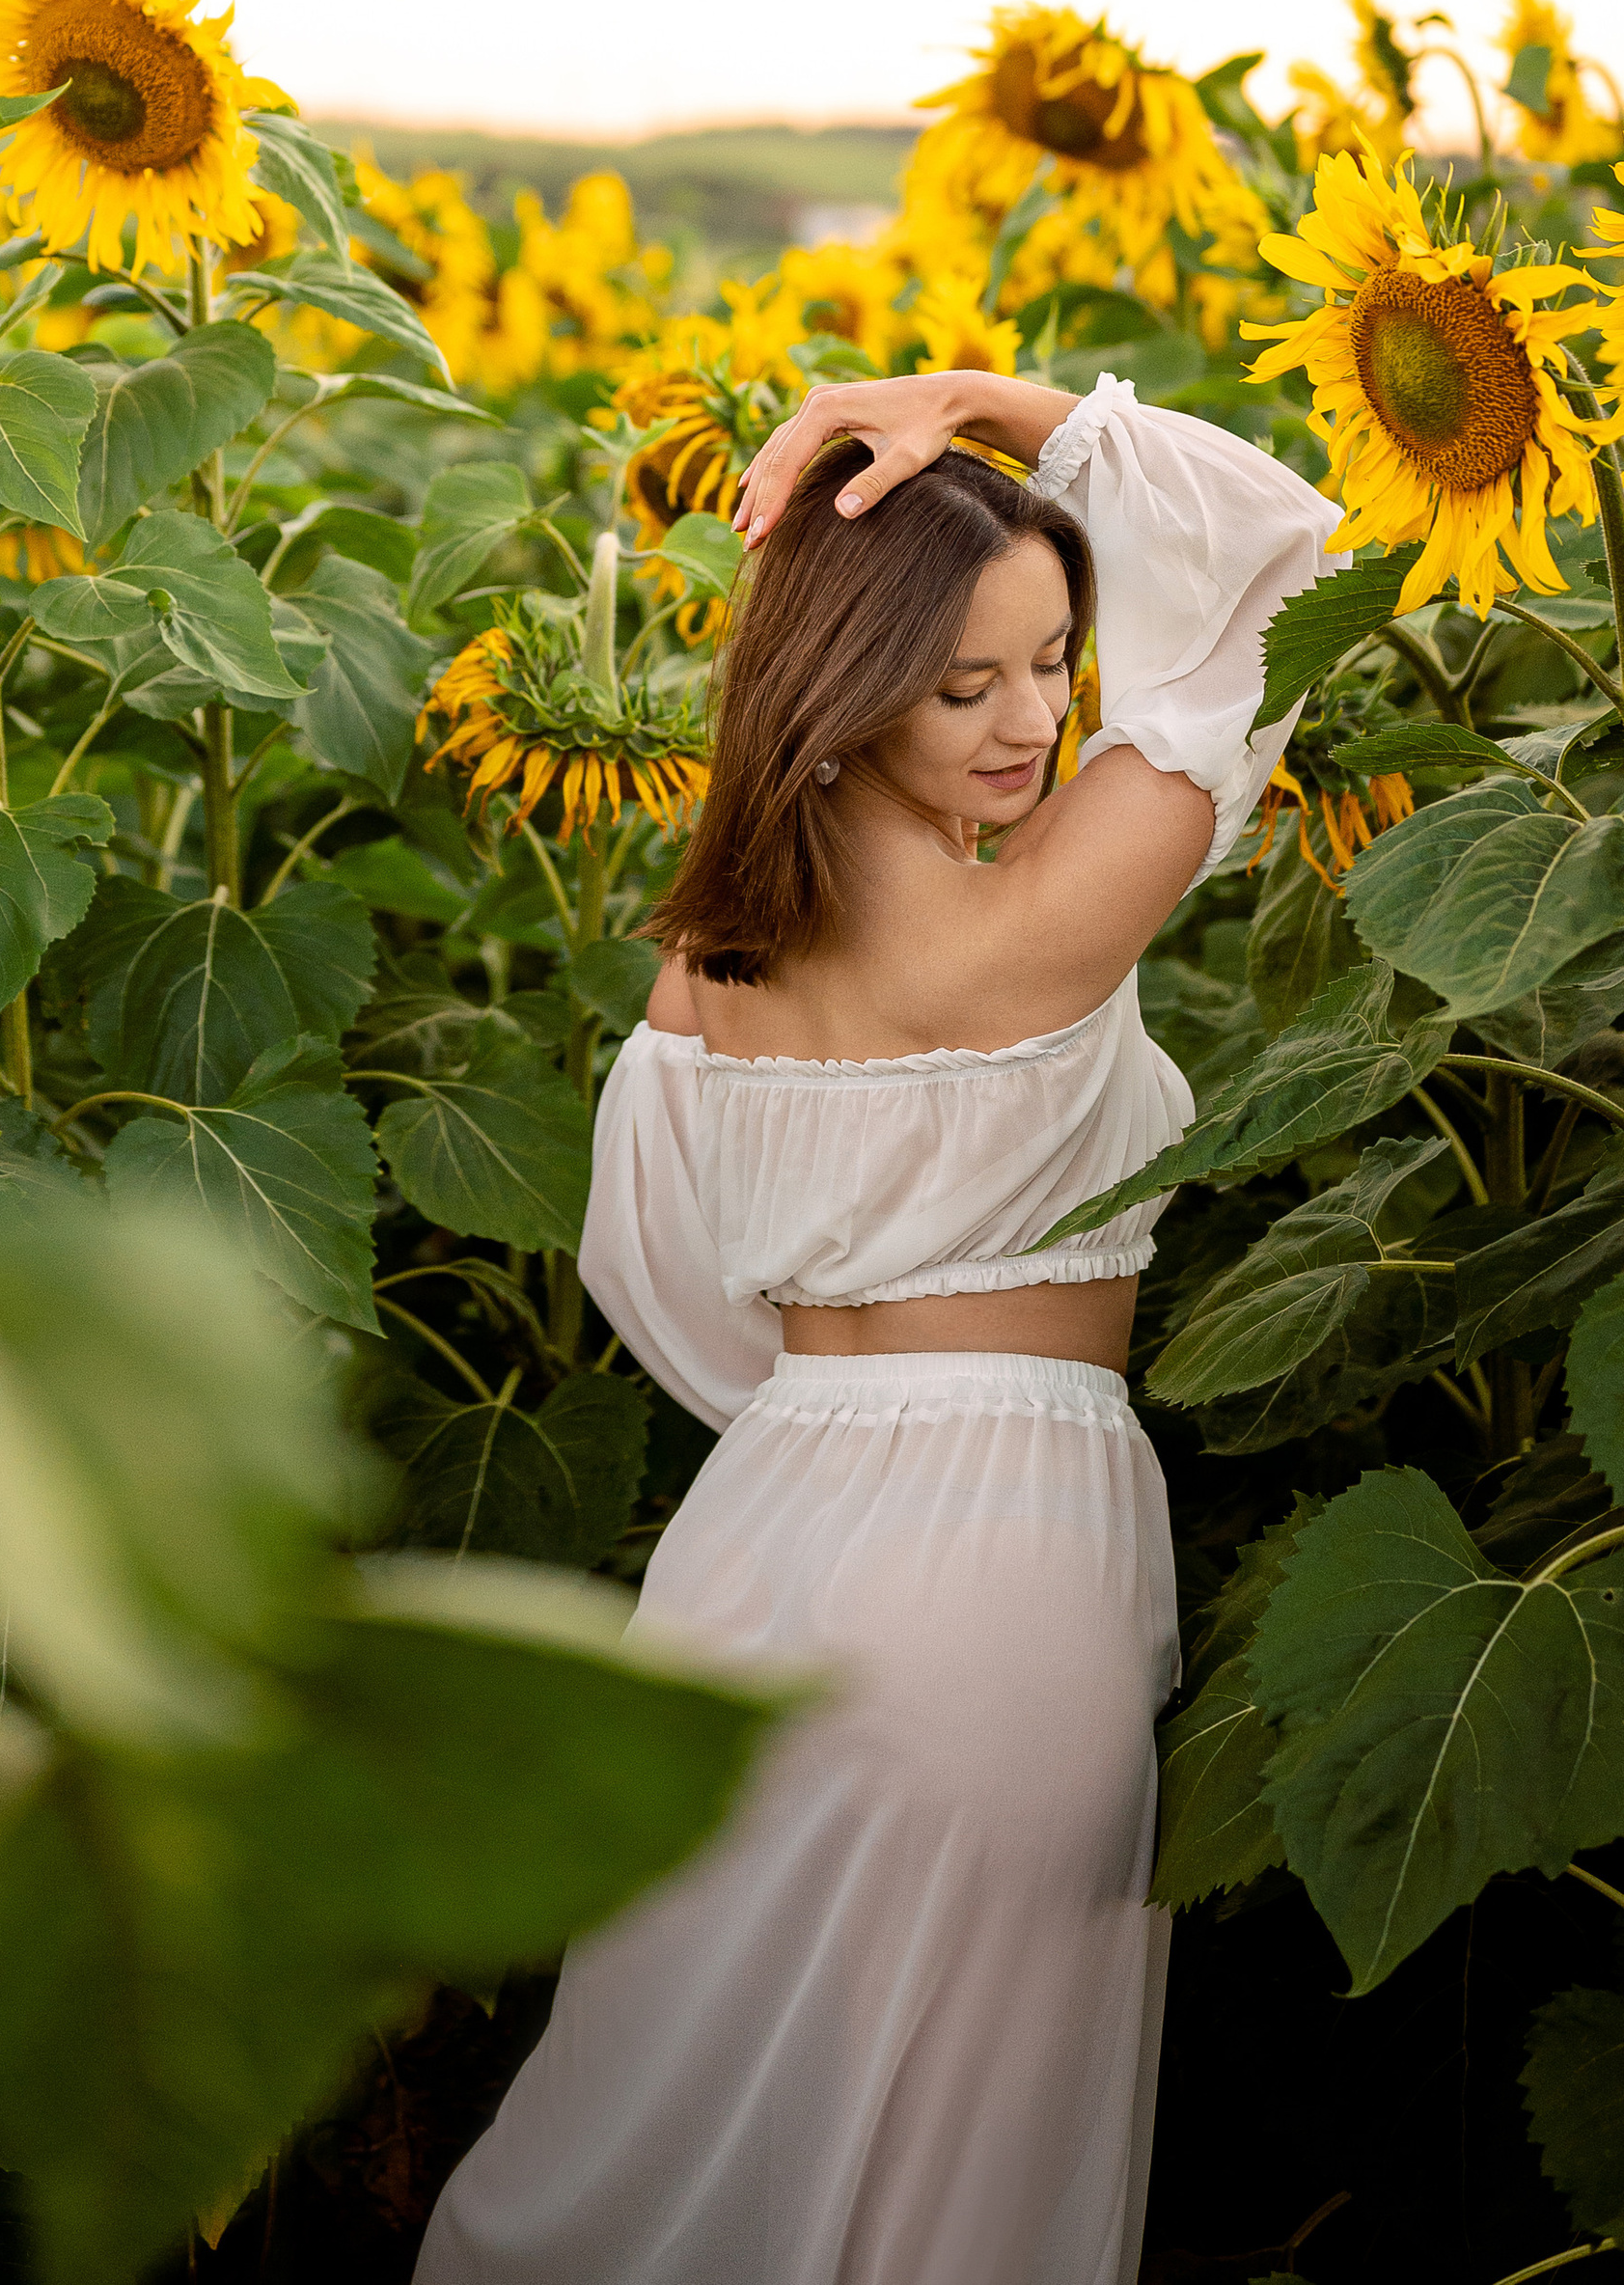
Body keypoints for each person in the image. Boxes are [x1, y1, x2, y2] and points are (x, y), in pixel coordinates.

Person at [416, 366, 1340, 2285]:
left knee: (686, 2082)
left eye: (1051, 665)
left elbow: (651, 1272)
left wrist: (837, 1417)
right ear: (844, 683)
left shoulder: (707, 956)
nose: (1027, 725)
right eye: (962, 684)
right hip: (996, 1570)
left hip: (756, 1539)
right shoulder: (1038, 929)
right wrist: (976, 401)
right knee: (963, 2159)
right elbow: (1277, 567)